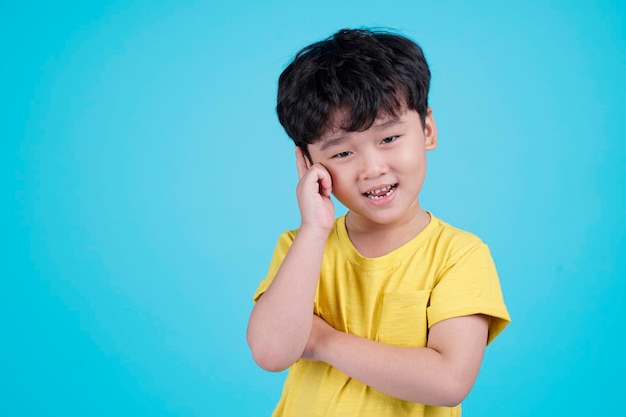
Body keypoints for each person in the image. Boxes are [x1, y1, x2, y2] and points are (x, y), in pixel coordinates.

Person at [246, 28, 510, 417]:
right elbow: (270, 352)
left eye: (389, 139)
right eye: (343, 152)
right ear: (306, 162)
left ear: (427, 129)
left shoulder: (459, 255)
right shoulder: (301, 247)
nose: (372, 168)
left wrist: (322, 342)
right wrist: (315, 229)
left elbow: (449, 381)